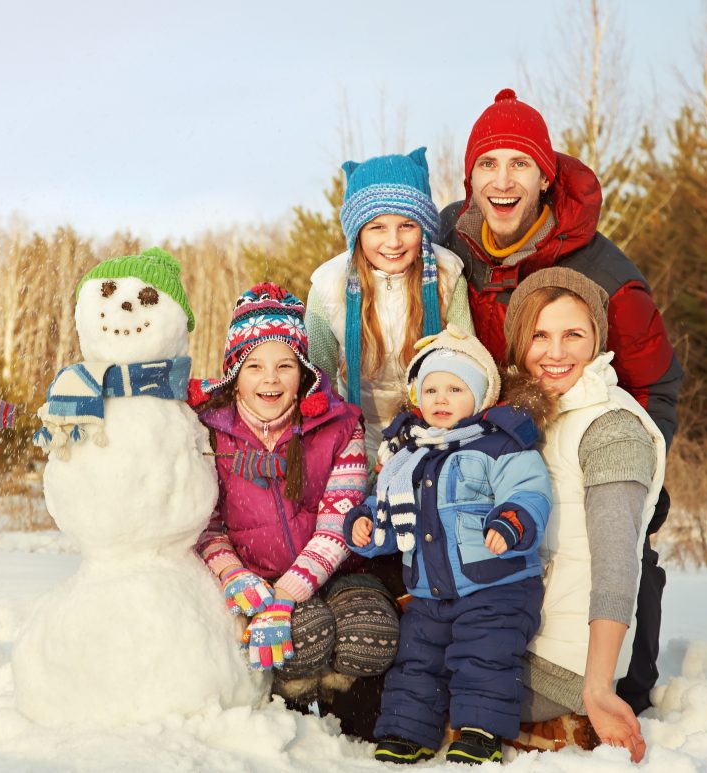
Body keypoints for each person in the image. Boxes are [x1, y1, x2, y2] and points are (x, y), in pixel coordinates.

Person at [437, 89, 682, 713]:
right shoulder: (448, 249)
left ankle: (615, 673)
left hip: (586, 434)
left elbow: (657, 380)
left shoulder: (604, 272)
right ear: (470, 180)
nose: (502, 179)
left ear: (545, 177)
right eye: (488, 164)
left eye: (519, 164)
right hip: (490, 436)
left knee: (610, 542)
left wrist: (632, 471)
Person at [343, 324, 552, 765]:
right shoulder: (407, 457)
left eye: (455, 388)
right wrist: (364, 522)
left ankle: (480, 731)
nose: (441, 398)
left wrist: (512, 520)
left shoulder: (500, 446)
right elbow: (384, 506)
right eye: (431, 388)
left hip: (497, 584)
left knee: (485, 655)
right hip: (428, 591)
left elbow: (528, 491)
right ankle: (406, 729)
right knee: (417, 660)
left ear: (481, 398)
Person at [190, 282, 400, 720]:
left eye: (285, 365)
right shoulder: (210, 434)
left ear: (303, 371)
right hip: (258, 578)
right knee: (303, 641)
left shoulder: (338, 426)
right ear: (234, 373)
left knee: (369, 632)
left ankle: (358, 721)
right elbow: (205, 525)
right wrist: (235, 578)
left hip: (340, 571)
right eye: (255, 366)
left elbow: (338, 524)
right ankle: (295, 721)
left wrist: (289, 594)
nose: (270, 379)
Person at [503, 267, 667, 763]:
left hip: (561, 663)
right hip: (516, 630)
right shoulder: (530, 416)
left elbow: (617, 564)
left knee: (407, 694)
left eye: (573, 335)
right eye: (539, 335)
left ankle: (567, 721)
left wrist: (597, 686)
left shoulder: (610, 427)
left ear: (597, 339)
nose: (556, 353)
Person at [307, 147, 474, 468]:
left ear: (424, 228)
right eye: (378, 227)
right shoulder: (329, 287)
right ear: (357, 233)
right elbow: (318, 381)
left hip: (432, 432)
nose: (394, 241)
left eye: (407, 226)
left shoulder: (446, 276)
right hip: (355, 435)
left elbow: (464, 365)